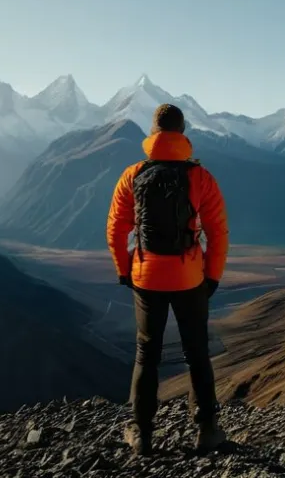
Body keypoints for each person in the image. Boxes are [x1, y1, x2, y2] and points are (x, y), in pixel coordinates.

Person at [106, 103, 230, 456]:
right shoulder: (200, 177)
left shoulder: (133, 175)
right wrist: (213, 275)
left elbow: (116, 228)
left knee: (147, 354)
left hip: (146, 274)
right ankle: (207, 429)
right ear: (183, 131)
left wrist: (123, 269)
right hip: (190, 276)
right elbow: (218, 232)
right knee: (197, 353)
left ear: (153, 132)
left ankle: (141, 434)